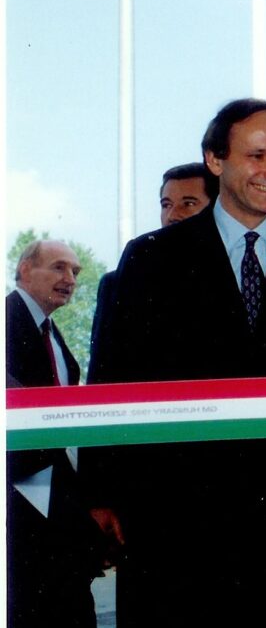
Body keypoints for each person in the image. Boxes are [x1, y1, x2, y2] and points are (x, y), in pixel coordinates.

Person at [86, 99, 266, 626]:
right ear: (215, 160)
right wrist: (101, 493)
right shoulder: (150, 259)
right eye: (258, 155)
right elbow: (111, 380)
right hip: (185, 528)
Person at [6, 240, 106, 628]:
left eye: (76, 272)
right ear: (25, 270)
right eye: (59, 267)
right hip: (21, 515)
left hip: (57, 515)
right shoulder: (7, 321)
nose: (71, 279)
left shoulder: (53, 335)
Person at [88, 162, 218, 382]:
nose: (172, 215)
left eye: (188, 203)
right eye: (166, 205)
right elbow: (102, 374)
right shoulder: (118, 283)